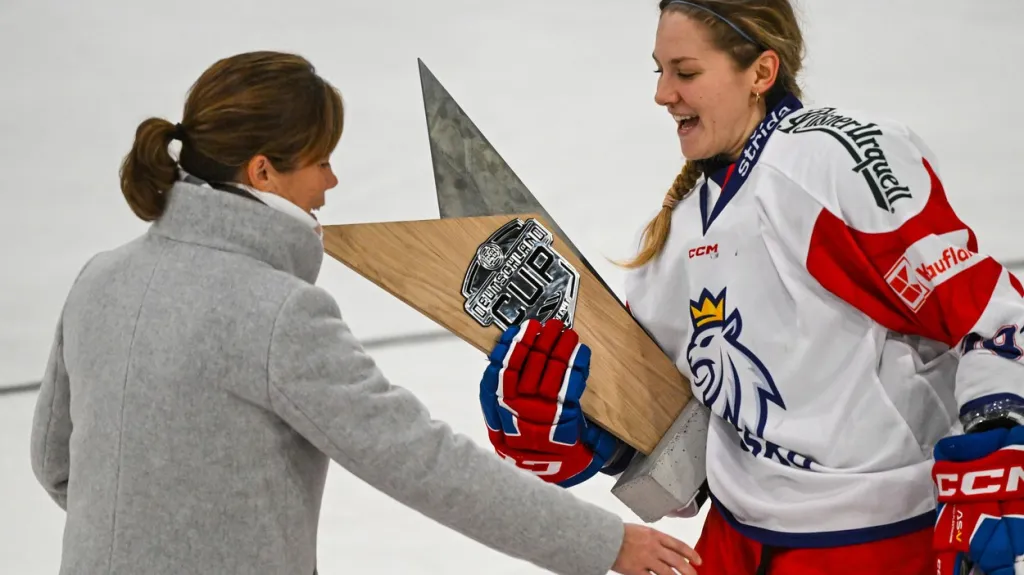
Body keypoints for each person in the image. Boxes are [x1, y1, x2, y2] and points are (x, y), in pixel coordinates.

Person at [28, 50, 703, 575]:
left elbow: (56, 463)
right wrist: (605, 541)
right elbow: (422, 462)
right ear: (262, 171)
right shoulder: (275, 312)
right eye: (321, 161)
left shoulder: (99, 279)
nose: (332, 182)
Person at [477, 2, 1024, 574]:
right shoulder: (678, 230)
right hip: (733, 549)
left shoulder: (827, 163)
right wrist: (575, 429)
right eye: (658, 71)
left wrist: (1001, 444)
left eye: (685, 73)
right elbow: (678, 438)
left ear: (761, 73)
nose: (664, 94)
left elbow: (989, 315)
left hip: (880, 543)